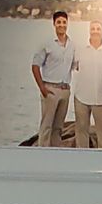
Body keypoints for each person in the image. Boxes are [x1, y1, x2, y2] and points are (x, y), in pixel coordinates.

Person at [31, 9, 75, 146]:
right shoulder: (47, 44)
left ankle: (57, 153)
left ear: (67, 24)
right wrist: (42, 88)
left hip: (65, 90)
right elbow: (35, 66)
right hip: (50, 89)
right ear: (54, 24)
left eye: (64, 22)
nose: (61, 25)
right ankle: (42, 154)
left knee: (58, 127)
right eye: (59, 22)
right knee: (46, 126)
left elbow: (75, 65)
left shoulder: (72, 45)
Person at [71, 20, 102, 147]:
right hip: (81, 98)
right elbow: (72, 67)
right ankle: (82, 160)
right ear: (89, 31)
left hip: (101, 100)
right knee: (81, 131)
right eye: (93, 29)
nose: (95, 31)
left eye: (98, 29)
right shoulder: (79, 51)